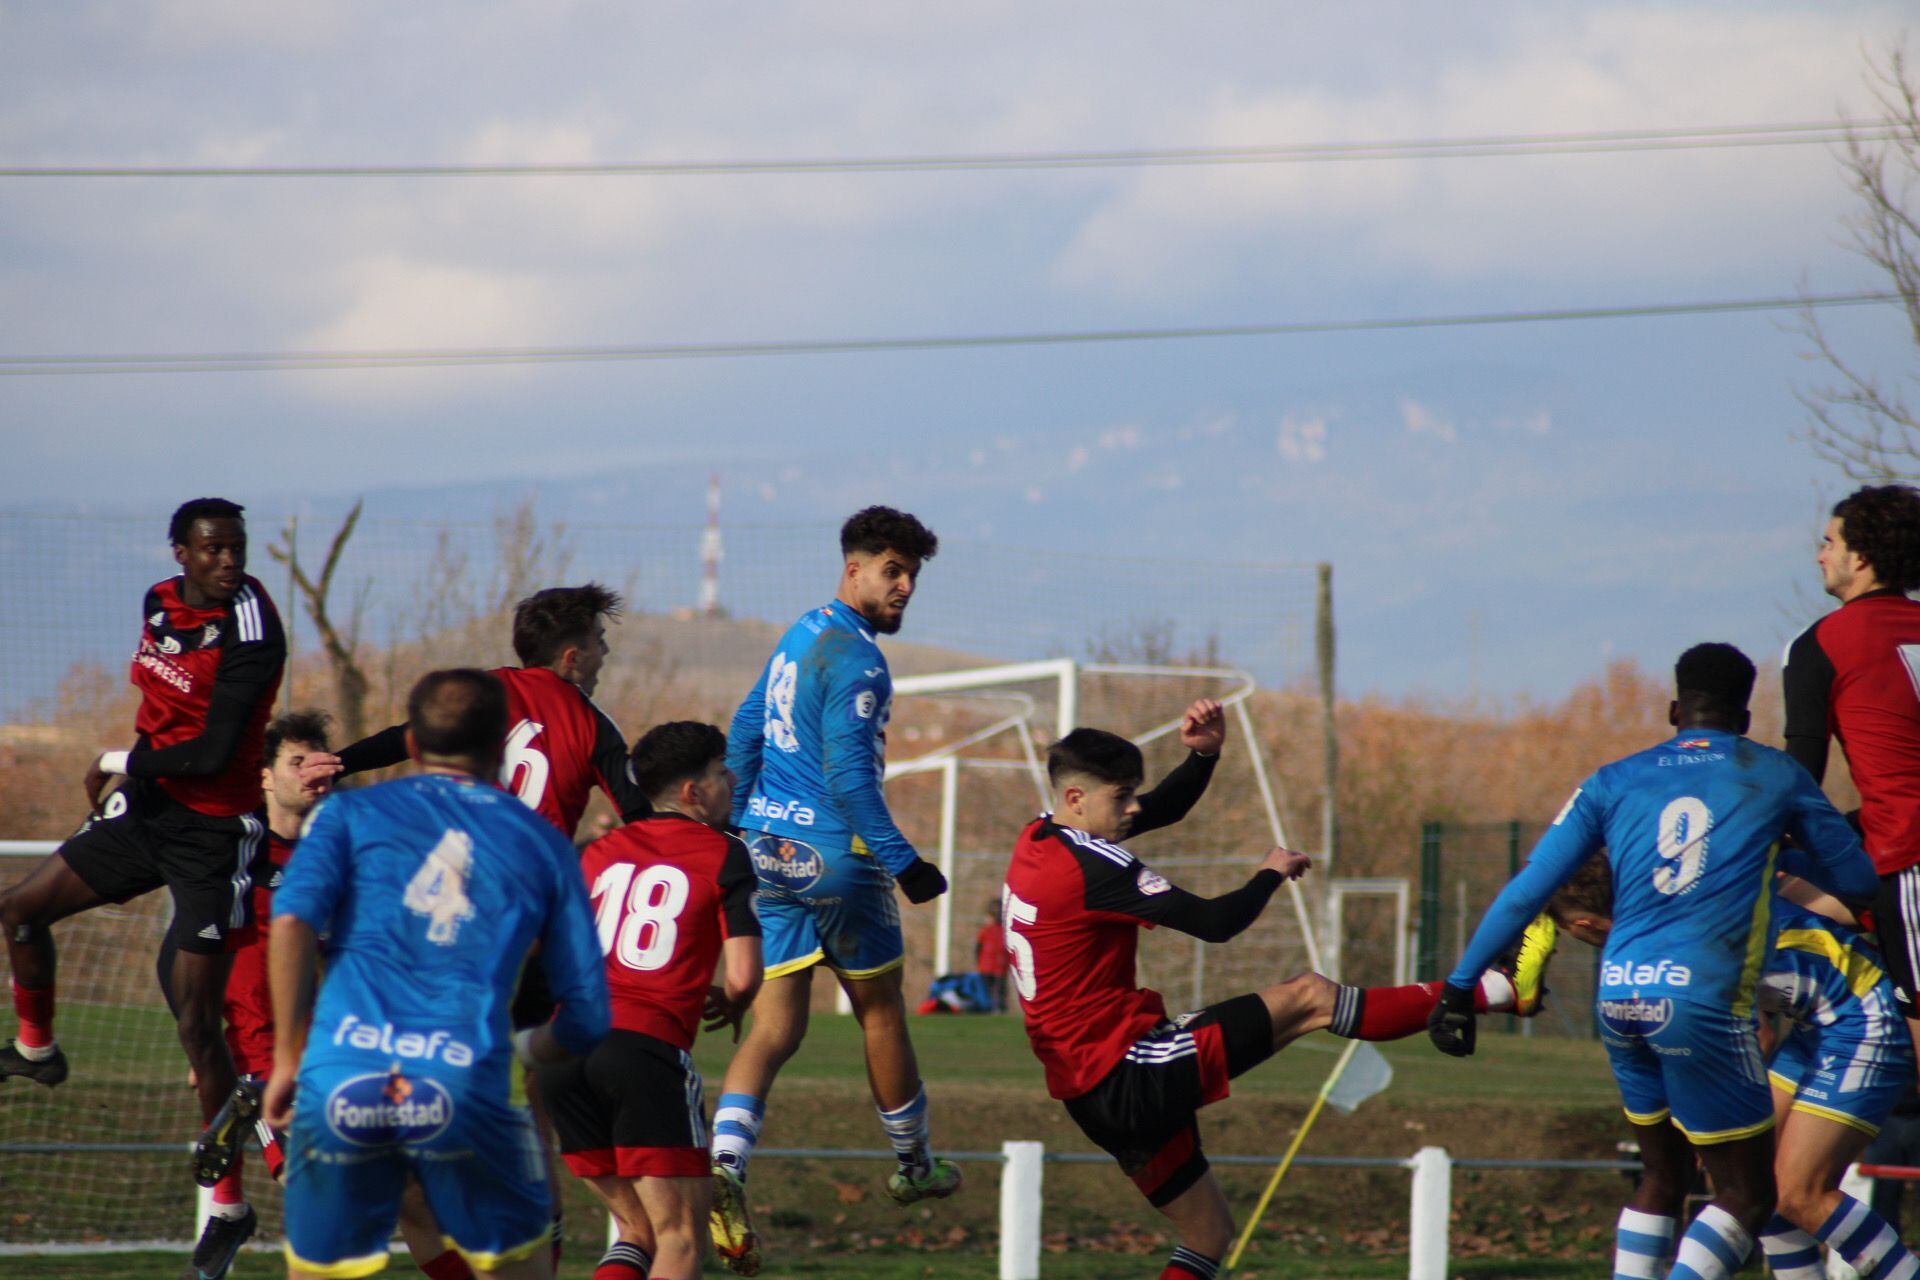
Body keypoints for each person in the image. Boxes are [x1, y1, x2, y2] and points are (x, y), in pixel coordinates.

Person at [1005, 714, 1531, 1280]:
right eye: (1124, 796)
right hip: (1127, 1070)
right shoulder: (1094, 866)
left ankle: (1494, 992)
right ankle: (1497, 990)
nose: (1135, 808)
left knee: (1208, 1235)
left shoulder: (1040, 838)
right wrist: (1270, 873)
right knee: (1311, 997)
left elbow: (1163, 808)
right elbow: (1215, 922)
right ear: (1079, 798)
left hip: (1088, 1091)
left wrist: (1203, 757)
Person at [1432, 643, 1881, 1280]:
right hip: (1701, 1003)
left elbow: (1529, 888)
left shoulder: (1613, 779)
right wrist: (1786, 848)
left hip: (1619, 997)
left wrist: (1458, 985)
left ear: (1674, 709)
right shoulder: (1775, 775)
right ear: (1746, 719)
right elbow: (1860, 882)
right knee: (1749, 1197)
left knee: (1662, 1178)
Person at [301, 582, 650, 1263]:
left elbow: (403, 741)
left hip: (433, 932)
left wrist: (344, 760)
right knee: (529, 1119)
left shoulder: (482, 695)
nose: (607, 656)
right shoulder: (593, 724)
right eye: (602, 645)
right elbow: (640, 815)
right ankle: (536, 1248)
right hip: (525, 933)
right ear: (574, 657)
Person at [264, 668, 610, 1280]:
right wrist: (525, 1046)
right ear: (497, 747)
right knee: (521, 1271)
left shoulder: (347, 816)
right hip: (463, 1077)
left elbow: (289, 922)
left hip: (343, 1071)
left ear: (414, 746)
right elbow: (586, 1017)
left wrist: (290, 1059)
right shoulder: (542, 842)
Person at [0, 499, 285, 1196]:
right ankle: (36, 1048)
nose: (229, 561)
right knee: (19, 912)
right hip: (148, 806)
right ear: (179, 553)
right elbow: (161, 713)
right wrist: (131, 768)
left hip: (214, 833)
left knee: (195, 1021)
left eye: (237, 548)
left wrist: (115, 757)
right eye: (213, 549)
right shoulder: (157, 601)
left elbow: (217, 752)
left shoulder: (251, 628)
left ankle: (226, 1208)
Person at [710, 506, 953, 1271]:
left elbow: (746, 726)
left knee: (776, 1025)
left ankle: (724, 1164)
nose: (905, 586)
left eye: (912, 573)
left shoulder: (799, 632)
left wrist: (737, 823)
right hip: (837, 858)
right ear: (853, 567)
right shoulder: (858, 659)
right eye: (892, 570)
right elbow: (849, 774)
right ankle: (915, 1166)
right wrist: (904, 862)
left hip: (769, 852)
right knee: (880, 1010)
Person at [1547, 856, 1920, 1280]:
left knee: (1801, 1194)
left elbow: (1756, 1035)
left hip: (1865, 1015)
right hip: (1820, 1020)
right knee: (1757, 1180)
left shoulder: (1677, 946)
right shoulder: (1669, 912)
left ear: (1586, 926)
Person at [536, 721, 762, 1280]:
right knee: (682, 1238)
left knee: (636, 1230)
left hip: (562, 1053)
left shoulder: (596, 851)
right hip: (642, 1049)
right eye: (718, 772)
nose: (731, 778)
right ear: (692, 793)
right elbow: (744, 975)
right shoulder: (725, 853)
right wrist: (733, 1001)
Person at [151, 711, 332, 1279]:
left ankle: (230, 1212)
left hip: (313, 1057)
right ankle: (229, 1210)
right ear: (263, 776)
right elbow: (177, 954)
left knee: (408, 1202)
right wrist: (199, 1046)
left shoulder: (337, 859)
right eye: (295, 761)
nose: (310, 773)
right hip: (250, 1059)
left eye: (317, 761)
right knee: (312, 1191)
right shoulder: (230, 850)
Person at [1784, 484, 1920, 1063]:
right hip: (1884, 841)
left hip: (1909, 851)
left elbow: (1798, 776)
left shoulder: (1825, 641)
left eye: (1828, 541)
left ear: (1859, 557)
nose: (1820, 555)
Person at [975, 899, 1009, 1011]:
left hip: (991, 966)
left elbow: (978, 949)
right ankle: (996, 1007)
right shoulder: (999, 931)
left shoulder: (988, 931)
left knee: (993, 990)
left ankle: (993, 1007)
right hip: (996, 966)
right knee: (996, 990)